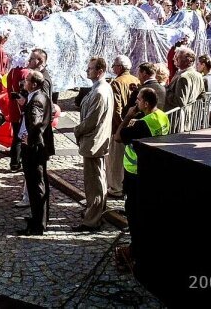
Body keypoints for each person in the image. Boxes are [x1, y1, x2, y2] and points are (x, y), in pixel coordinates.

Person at [114, 88, 170, 271]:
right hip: (152, 171)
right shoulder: (161, 116)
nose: (135, 103)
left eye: (138, 100)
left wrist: (128, 117)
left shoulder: (140, 124)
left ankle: (135, 252)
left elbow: (117, 137)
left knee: (134, 213)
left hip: (135, 172)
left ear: (146, 103)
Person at [72, 57, 113, 232]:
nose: (87, 71)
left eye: (90, 68)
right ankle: (96, 212)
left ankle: (92, 219)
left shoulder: (100, 91)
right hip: (95, 141)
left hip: (94, 142)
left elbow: (91, 121)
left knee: (94, 182)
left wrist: (77, 129)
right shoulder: (100, 88)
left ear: (100, 71)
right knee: (97, 179)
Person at [16, 70, 52, 236]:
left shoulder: (37, 100)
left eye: (27, 80)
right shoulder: (41, 96)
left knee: (36, 185)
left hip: (34, 149)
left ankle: (39, 224)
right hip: (39, 147)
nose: (24, 82)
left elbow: (36, 123)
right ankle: (40, 219)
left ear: (34, 84)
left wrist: (29, 139)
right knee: (39, 184)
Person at [107, 55, 139, 199]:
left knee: (116, 160)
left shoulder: (116, 83)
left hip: (120, 127)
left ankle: (116, 188)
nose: (113, 68)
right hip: (133, 125)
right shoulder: (136, 80)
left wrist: (119, 127)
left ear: (119, 67)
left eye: (114, 65)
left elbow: (116, 108)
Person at [163, 47, 204, 132]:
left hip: (177, 119)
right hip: (189, 116)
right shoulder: (198, 75)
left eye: (177, 57)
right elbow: (202, 95)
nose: (174, 59)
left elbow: (180, 101)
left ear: (188, 60)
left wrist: (166, 90)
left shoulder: (183, 77)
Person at [7, 50, 30, 172]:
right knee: (19, 137)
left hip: (12, 106)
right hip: (20, 108)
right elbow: (24, 92)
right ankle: (15, 162)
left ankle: (14, 159)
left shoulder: (12, 71)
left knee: (16, 134)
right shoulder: (25, 73)